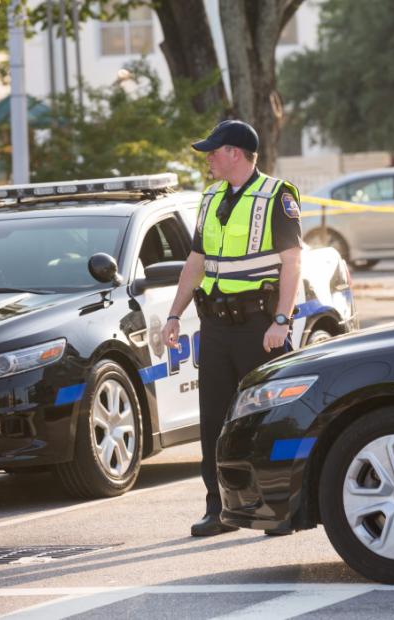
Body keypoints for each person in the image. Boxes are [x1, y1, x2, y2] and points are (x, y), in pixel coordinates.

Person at [160, 120, 303, 537]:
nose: (207, 158)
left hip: (260, 326)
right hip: (216, 326)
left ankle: (277, 509)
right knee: (214, 422)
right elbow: (196, 261)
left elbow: (293, 262)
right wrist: (173, 314)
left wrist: (281, 320)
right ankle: (218, 508)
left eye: (213, 151)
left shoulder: (277, 196)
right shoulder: (210, 197)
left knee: (267, 418)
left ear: (235, 153)